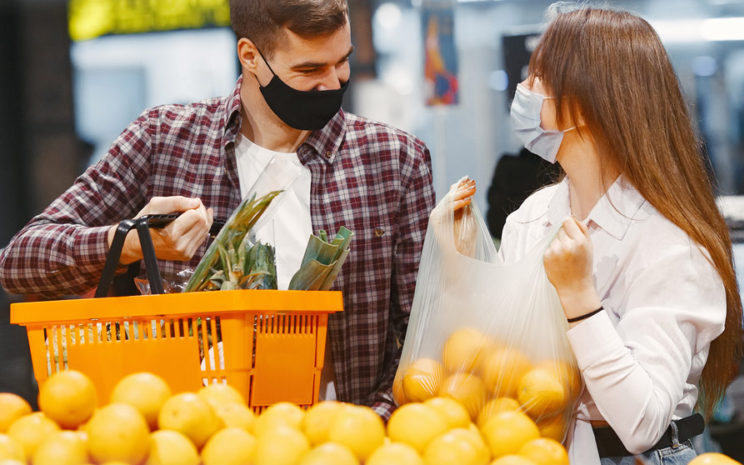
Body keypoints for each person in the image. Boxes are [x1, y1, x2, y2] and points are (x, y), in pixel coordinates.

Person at [0, 0, 435, 419]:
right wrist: (133, 242)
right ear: (250, 56)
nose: (333, 82)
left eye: (342, 62)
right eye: (309, 69)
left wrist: (368, 426)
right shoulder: (164, 141)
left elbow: (422, 340)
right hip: (193, 440)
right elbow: (19, 262)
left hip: (341, 443)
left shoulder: (394, 160)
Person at [458, 6, 744, 465]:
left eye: (538, 79)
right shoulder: (531, 218)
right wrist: (462, 263)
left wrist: (580, 298)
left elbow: (642, 424)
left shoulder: (671, 242)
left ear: (587, 104)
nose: (524, 92)